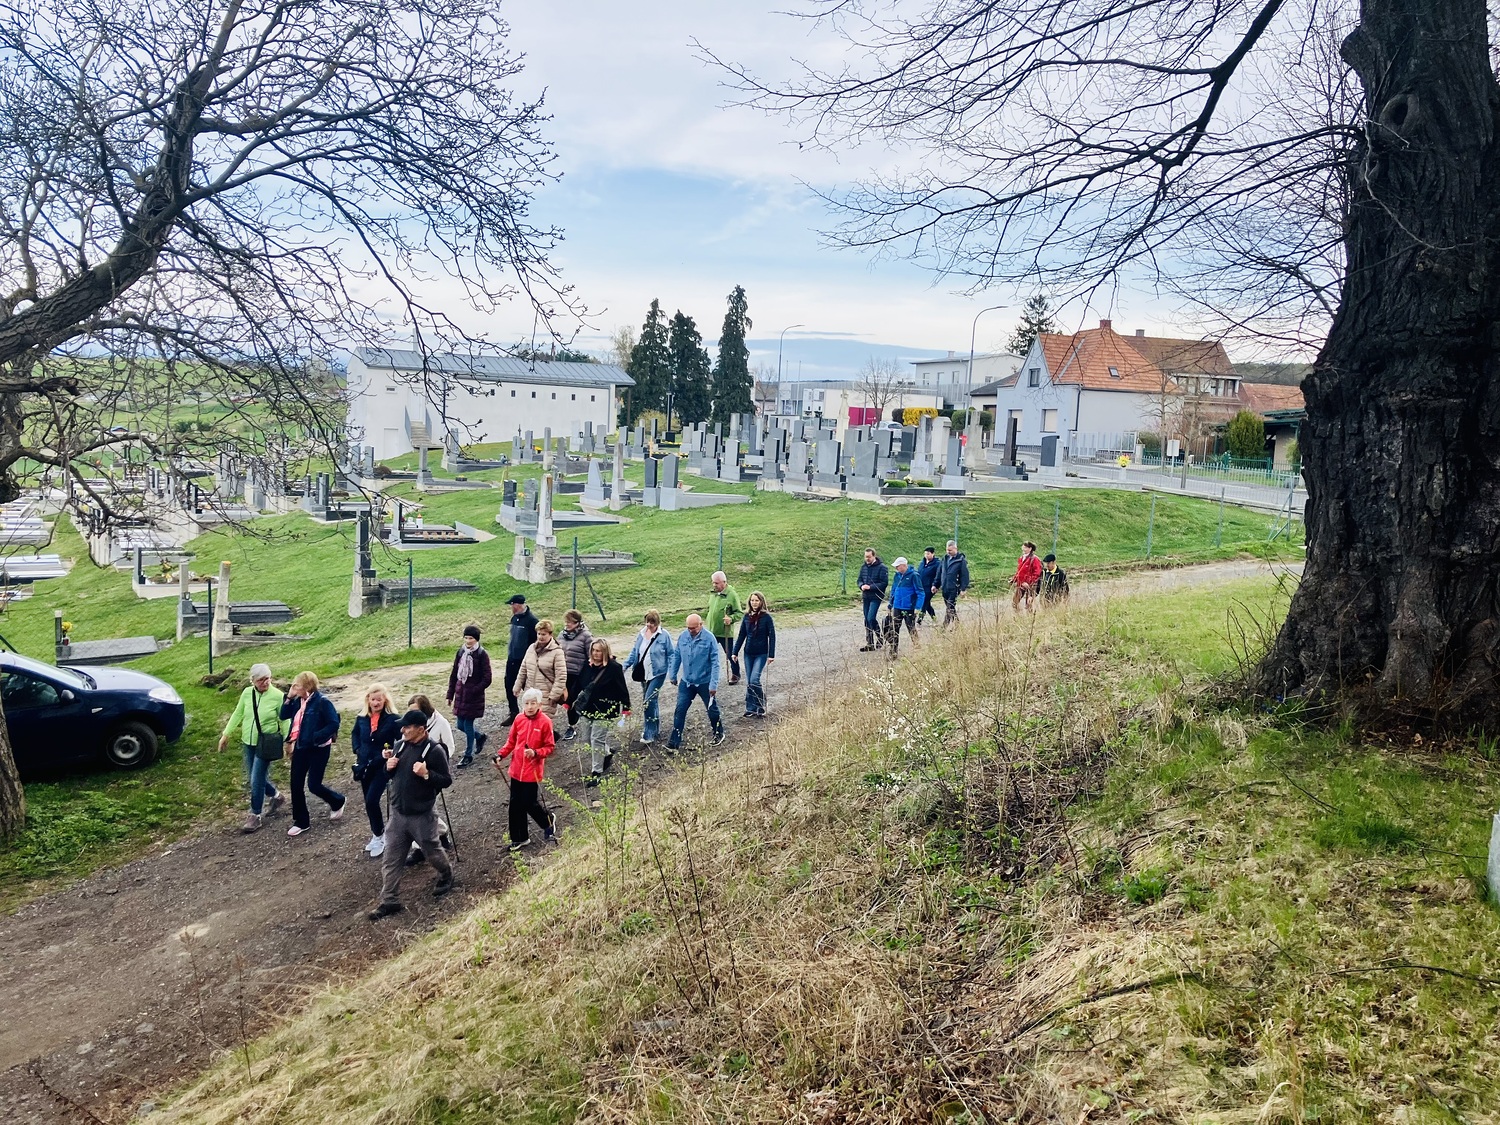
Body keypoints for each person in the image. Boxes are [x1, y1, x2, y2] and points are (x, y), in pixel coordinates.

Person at [367, 709, 454, 920]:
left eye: (407, 727)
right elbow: (391, 774)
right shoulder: (400, 745)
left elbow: (446, 780)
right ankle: (389, 900)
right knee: (391, 858)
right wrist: (388, 767)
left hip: (422, 815)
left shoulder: (434, 751)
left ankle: (446, 874)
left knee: (432, 851)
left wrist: (427, 774)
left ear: (421, 729)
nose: (403, 730)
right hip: (398, 814)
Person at [217, 663, 288, 833]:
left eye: (268, 678)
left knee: (256, 780)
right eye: (261, 680)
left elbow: (285, 720)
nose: (265, 682)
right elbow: (238, 713)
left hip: (266, 744)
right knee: (254, 778)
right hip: (248, 742)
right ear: (253, 681)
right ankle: (277, 796)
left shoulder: (278, 696)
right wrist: (226, 734)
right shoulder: (247, 693)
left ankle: (255, 815)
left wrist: (288, 742)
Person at [280, 671, 346, 837]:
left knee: (314, 785)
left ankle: (337, 801)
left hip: (319, 748)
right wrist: (288, 698)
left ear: (307, 687)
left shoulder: (323, 702)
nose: (295, 688)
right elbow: (283, 715)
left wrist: (316, 736)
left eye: (297, 686)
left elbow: (333, 724)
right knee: (295, 784)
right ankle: (301, 821)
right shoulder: (297, 701)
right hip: (301, 747)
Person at [493, 687, 558, 851]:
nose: (529, 706)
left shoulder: (545, 722)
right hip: (516, 769)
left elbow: (550, 747)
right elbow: (511, 742)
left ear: (539, 704)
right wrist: (500, 755)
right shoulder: (519, 719)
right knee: (515, 805)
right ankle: (519, 838)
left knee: (529, 803)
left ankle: (548, 821)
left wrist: (536, 752)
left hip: (532, 771)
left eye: (533, 703)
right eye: (526, 703)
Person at [573, 638, 631, 786]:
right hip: (588, 709)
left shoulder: (614, 668)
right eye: (593, 650)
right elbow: (578, 685)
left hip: (605, 711)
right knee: (587, 739)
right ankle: (607, 752)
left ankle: (596, 773)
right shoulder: (587, 666)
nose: (595, 653)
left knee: (597, 739)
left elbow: (622, 688)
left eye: (598, 651)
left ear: (605, 651)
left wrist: (625, 707)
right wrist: (568, 701)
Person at [352, 683, 401, 858]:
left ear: (385, 700)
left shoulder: (393, 719)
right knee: (368, 802)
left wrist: (393, 753)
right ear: (368, 700)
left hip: (382, 766)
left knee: (372, 800)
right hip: (364, 765)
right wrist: (358, 749)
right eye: (373, 699)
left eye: (379, 699)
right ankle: (377, 834)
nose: (376, 703)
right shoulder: (361, 718)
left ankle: (382, 835)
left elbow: (402, 739)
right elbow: (355, 734)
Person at [667, 613, 725, 750]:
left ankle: (718, 733)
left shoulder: (709, 639)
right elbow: (677, 655)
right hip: (687, 682)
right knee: (680, 710)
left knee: (711, 709)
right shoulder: (683, 636)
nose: (690, 630)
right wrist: (673, 674)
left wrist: (713, 684)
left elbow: (715, 663)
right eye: (688, 628)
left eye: (693, 628)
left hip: (705, 682)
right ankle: (674, 742)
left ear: (701, 624)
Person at [623, 609, 675, 745]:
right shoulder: (641, 634)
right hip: (643, 673)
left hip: (658, 673)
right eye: (647, 622)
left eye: (652, 622)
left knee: (648, 701)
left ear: (657, 623)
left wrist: (673, 672)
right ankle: (655, 729)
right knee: (652, 701)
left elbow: (671, 654)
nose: (649, 625)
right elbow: (635, 652)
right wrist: (625, 665)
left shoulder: (664, 636)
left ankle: (649, 733)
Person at [446, 624, 492, 767]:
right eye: (466, 638)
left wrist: (475, 689)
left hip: (473, 696)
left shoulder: (482, 654)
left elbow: (487, 678)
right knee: (460, 724)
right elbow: (454, 673)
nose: (468, 641)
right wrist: (450, 694)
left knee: (468, 724)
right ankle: (480, 737)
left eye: (471, 638)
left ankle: (468, 755)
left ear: (476, 639)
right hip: (461, 694)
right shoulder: (461, 652)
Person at [515, 618, 568, 724]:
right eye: (539, 634)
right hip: (530, 692)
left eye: (544, 634)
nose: (540, 637)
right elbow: (523, 669)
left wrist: (553, 696)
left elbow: (561, 676)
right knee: (528, 723)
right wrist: (517, 686)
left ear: (550, 634)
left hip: (546, 695)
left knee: (542, 725)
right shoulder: (531, 648)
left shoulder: (557, 652)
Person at [731, 591, 776, 717]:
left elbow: (772, 636)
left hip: (761, 654)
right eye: (752, 600)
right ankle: (751, 708)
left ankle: (761, 705)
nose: (754, 603)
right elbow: (742, 635)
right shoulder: (747, 617)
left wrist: (771, 654)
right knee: (749, 682)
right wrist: (735, 652)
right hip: (748, 653)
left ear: (761, 602)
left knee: (754, 680)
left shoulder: (766, 617)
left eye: (757, 600)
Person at [502, 594, 539, 724]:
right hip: (512, 658)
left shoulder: (532, 621)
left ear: (517, 605)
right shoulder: (514, 619)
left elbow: (536, 643)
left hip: (524, 661)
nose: (511, 607)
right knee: (509, 684)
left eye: (512, 605)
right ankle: (513, 713)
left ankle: (532, 714)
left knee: (527, 688)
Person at [558, 610, 593, 741]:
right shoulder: (562, 634)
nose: (567, 624)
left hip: (578, 674)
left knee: (571, 700)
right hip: (563, 672)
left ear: (577, 623)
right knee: (562, 698)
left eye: (570, 622)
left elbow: (591, 656)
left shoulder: (586, 636)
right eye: (566, 621)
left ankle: (571, 726)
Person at [706, 571, 744, 686]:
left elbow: (739, 613)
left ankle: (736, 673)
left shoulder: (732, 595)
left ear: (724, 582)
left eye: (717, 583)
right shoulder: (713, 594)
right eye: (713, 582)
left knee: (730, 654)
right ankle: (706, 675)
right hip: (711, 630)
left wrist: (731, 618)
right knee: (707, 653)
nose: (714, 585)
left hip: (725, 632)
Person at [887, 557, 923, 656]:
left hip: (909, 607)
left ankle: (917, 646)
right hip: (897, 606)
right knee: (894, 629)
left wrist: (918, 607)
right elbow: (894, 590)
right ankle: (893, 651)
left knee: (911, 627)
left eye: (898, 566)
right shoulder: (897, 576)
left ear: (904, 565)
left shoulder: (914, 576)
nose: (896, 568)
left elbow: (920, 592)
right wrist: (890, 604)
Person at [857, 548, 889, 651]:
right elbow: (859, 580)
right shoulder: (863, 567)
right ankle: (869, 643)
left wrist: (870, 587)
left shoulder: (882, 567)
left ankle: (880, 637)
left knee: (871, 617)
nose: (867, 559)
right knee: (866, 619)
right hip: (866, 596)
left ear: (874, 556)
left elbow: (884, 583)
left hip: (876, 596)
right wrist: (861, 585)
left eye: (869, 557)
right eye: (866, 556)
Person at [936, 540, 971, 626]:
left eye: (950, 550)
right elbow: (939, 573)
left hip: (954, 588)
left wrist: (963, 589)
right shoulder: (945, 559)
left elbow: (964, 576)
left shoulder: (961, 561)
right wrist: (935, 585)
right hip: (945, 587)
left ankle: (944, 627)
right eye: (947, 550)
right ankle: (957, 624)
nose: (948, 552)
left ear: (955, 549)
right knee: (951, 608)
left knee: (949, 607)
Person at [1012, 541, 1042, 612]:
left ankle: (1029, 617)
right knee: (1015, 602)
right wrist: (1014, 579)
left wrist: (1029, 582)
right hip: (1021, 584)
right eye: (1023, 546)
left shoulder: (1035, 559)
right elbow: (1019, 571)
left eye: (1025, 547)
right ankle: (1018, 616)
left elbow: (1037, 573)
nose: (1023, 548)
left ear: (1030, 549)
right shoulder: (1021, 558)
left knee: (1028, 604)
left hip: (1030, 585)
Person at [916, 546, 942, 622]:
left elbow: (938, 575)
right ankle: (934, 619)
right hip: (921, 586)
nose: (926, 555)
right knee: (927, 604)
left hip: (930, 587)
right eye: (925, 554)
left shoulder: (937, 564)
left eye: (928, 554)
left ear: (933, 554)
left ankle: (919, 620)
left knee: (924, 602)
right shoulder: (922, 563)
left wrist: (936, 585)